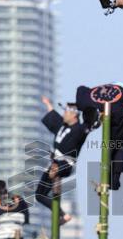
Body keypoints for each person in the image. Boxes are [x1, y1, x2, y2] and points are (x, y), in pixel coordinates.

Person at [75, 83, 123, 190]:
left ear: (101, 115)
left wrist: (106, 163)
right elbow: (80, 88)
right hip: (115, 88)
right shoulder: (82, 101)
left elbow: (115, 142)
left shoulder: (117, 112)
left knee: (122, 140)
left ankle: (115, 179)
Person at [36, 96, 91, 224]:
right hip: (55, 163)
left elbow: (89, 126)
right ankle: (63, 215)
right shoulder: (62, 126)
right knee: (39, 195)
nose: (64, 114)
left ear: (74, 115)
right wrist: (48, 104)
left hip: (65, 164)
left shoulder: (79, 129)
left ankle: (55, 172)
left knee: (54, 171)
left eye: (66, 112)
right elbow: (53, 118)